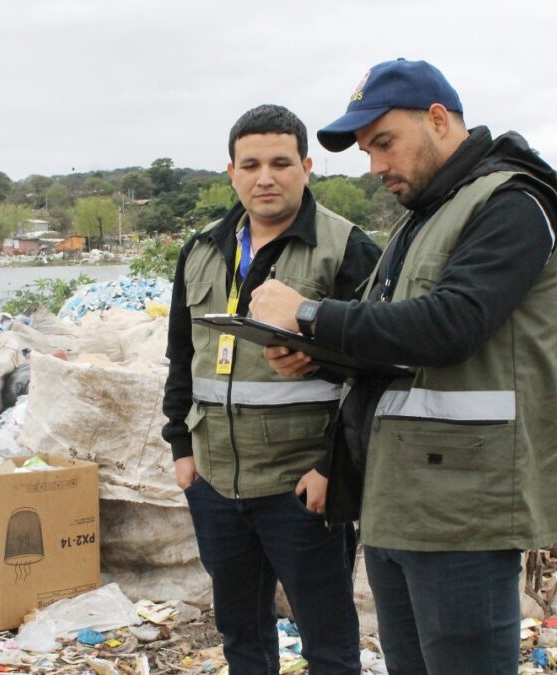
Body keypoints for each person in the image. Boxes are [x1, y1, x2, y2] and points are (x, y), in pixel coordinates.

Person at [250, 59, 557, 674]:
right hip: (398, 498)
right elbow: (392, 351)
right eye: (369, 151)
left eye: (384, 144)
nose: (376, 167)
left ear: (439, 119)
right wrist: (316, 357)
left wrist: (310, 314)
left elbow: (452, 325)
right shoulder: (421, 219)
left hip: (465, 509)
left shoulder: (513, 202)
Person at [162, 104, 381, 675]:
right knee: (240, 632)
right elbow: (181, 358)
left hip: (302, 483)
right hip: (214, 480)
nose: (266, 177)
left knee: (327, 638)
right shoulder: (204, 248)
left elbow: (379, 368)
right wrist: (182, 451)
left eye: (281, 163)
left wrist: (334, 470)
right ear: (230, 171)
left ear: (307, 167)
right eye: (251, 163)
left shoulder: (347, 248)